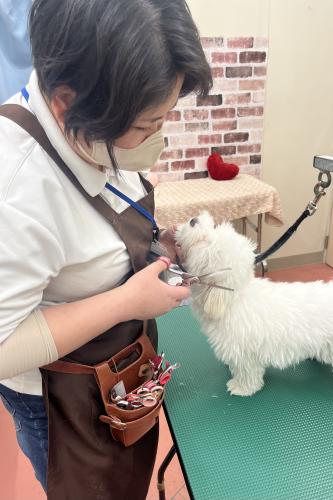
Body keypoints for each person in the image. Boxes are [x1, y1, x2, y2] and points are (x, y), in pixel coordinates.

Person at [0, 0, 212, 498]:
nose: (155, 140)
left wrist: (155, 244)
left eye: (163, 119)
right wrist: (127, 301)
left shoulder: (93, 124)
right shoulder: (15, 186)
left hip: (121, 372)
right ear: (66, 105)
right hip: (61, 400)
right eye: (143, 128)